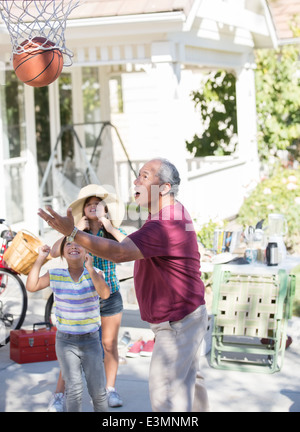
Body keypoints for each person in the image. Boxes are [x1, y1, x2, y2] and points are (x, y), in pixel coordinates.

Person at [38, 158, 209, 412]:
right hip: (188, 317)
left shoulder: (165, 223)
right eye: (138, 175)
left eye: (145, 176)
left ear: (164, 188)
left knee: (168, 400)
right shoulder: (170, 213)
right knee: (190, 391)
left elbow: (119, 253)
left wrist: (72, 233)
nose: (136, 181)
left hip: (178, 325)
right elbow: (128, 246)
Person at [48, 184, 126, 411]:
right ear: (83, 210)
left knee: (109, 345)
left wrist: (110, 227)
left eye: (98, 204)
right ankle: (59, 395)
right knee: (72, 345)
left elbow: (129, 247)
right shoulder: (76, 234)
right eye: (89, 204)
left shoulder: (112, 231)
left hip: (108, 294)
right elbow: (54, 252)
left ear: (105, 209)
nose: (93, 207)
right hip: (81, 297)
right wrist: (72, 231)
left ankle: (109, 390)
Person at [26, 239, 110, 412]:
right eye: (69, 244)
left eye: (78, 243)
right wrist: (41, 259)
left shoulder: (96, 273)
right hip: (66, 342)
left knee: (98, 392)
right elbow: (32, 286)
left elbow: (105, 293)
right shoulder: (55, 274)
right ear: (63, 253)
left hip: (91, 341)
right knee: (73, 390)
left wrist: (90, 269)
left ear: (87, 251)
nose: (73, 246)